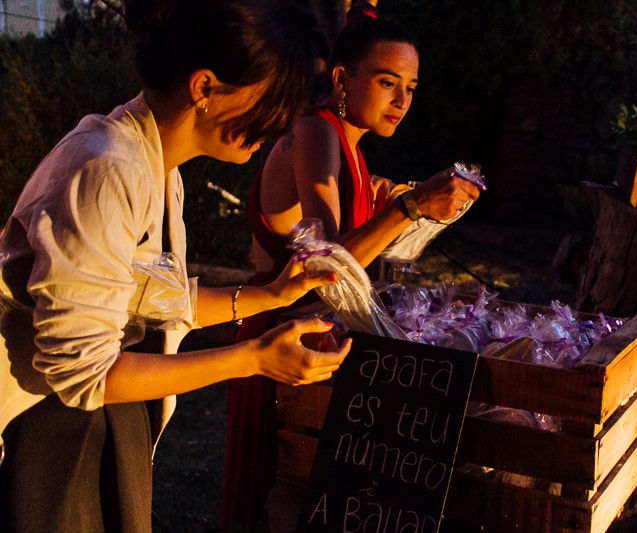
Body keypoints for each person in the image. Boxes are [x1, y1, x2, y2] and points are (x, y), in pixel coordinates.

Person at [0, 1, 352, 531]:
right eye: (273, 102)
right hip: (48, 438)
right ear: (205, 87)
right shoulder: (104, 169)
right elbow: (80, 372)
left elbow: (146, 297)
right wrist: (253, 358)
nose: (279, 125)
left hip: (90, 425)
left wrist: (271, 295)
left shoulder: (156, 167)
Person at [221, 4, 481, 531]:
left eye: (410, 86)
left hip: (315, 334)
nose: (402, 101)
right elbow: (327, 266)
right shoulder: (316, 133)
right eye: (388, 83)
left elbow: (362, 220)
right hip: (282, 330)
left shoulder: (351, 148)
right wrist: (408, 208)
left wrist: (408, 200)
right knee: (284, 492)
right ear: (343, 78)